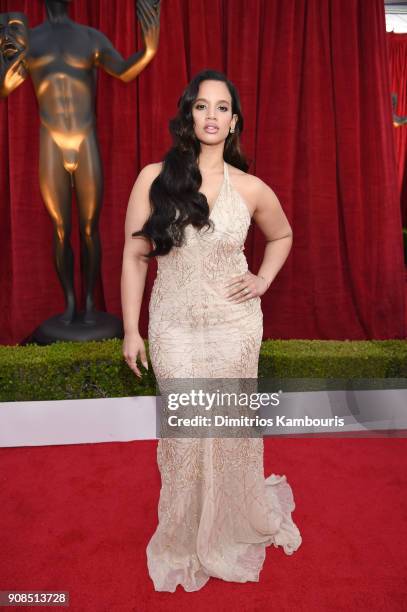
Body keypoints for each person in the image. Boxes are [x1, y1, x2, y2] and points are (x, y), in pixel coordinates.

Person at [121, 69, 302, 593]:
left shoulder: (251, 187)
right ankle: (182, 532)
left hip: (234, 327)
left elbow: (283, 234)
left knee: (226, 431)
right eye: (202, 106)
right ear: (188, 115)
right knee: (184, 434)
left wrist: (262, 279)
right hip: (173, 325)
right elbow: (135, 258)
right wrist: (132, 331)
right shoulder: (154, 178)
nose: (212, 116)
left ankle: (228, 521)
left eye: (222, 108)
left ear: (234, 121)